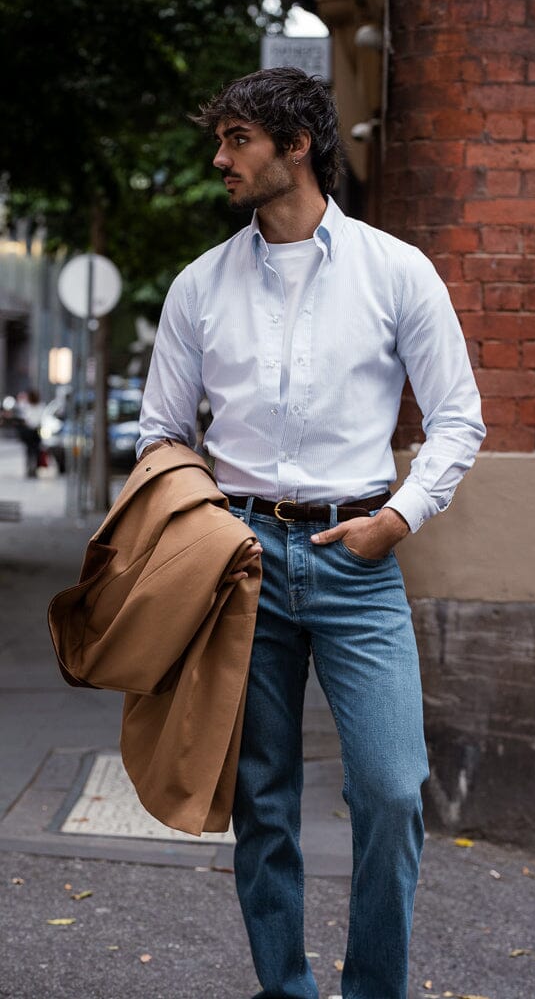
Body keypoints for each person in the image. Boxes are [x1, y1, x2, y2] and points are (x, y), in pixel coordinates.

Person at [137, 67, 485, 999]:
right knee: (263, 800)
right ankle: (283, 989)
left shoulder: (394, 270)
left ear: (296, 145)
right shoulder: (199, 286)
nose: (220, 158)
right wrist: (205, 527)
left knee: (390, 789)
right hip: (239, 561)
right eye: (221, 139)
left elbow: (457, 416)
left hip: (356, 557)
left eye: (237, 138)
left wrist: (399, 518)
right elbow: (161, 434)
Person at [16, 389, 44, 478]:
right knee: (32, 451)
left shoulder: (35, 406)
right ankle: (31, 468)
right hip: (33, 432)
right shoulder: (32, 406)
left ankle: (31, 468)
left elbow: (26, 418)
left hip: (33, 432)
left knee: (32, 451)